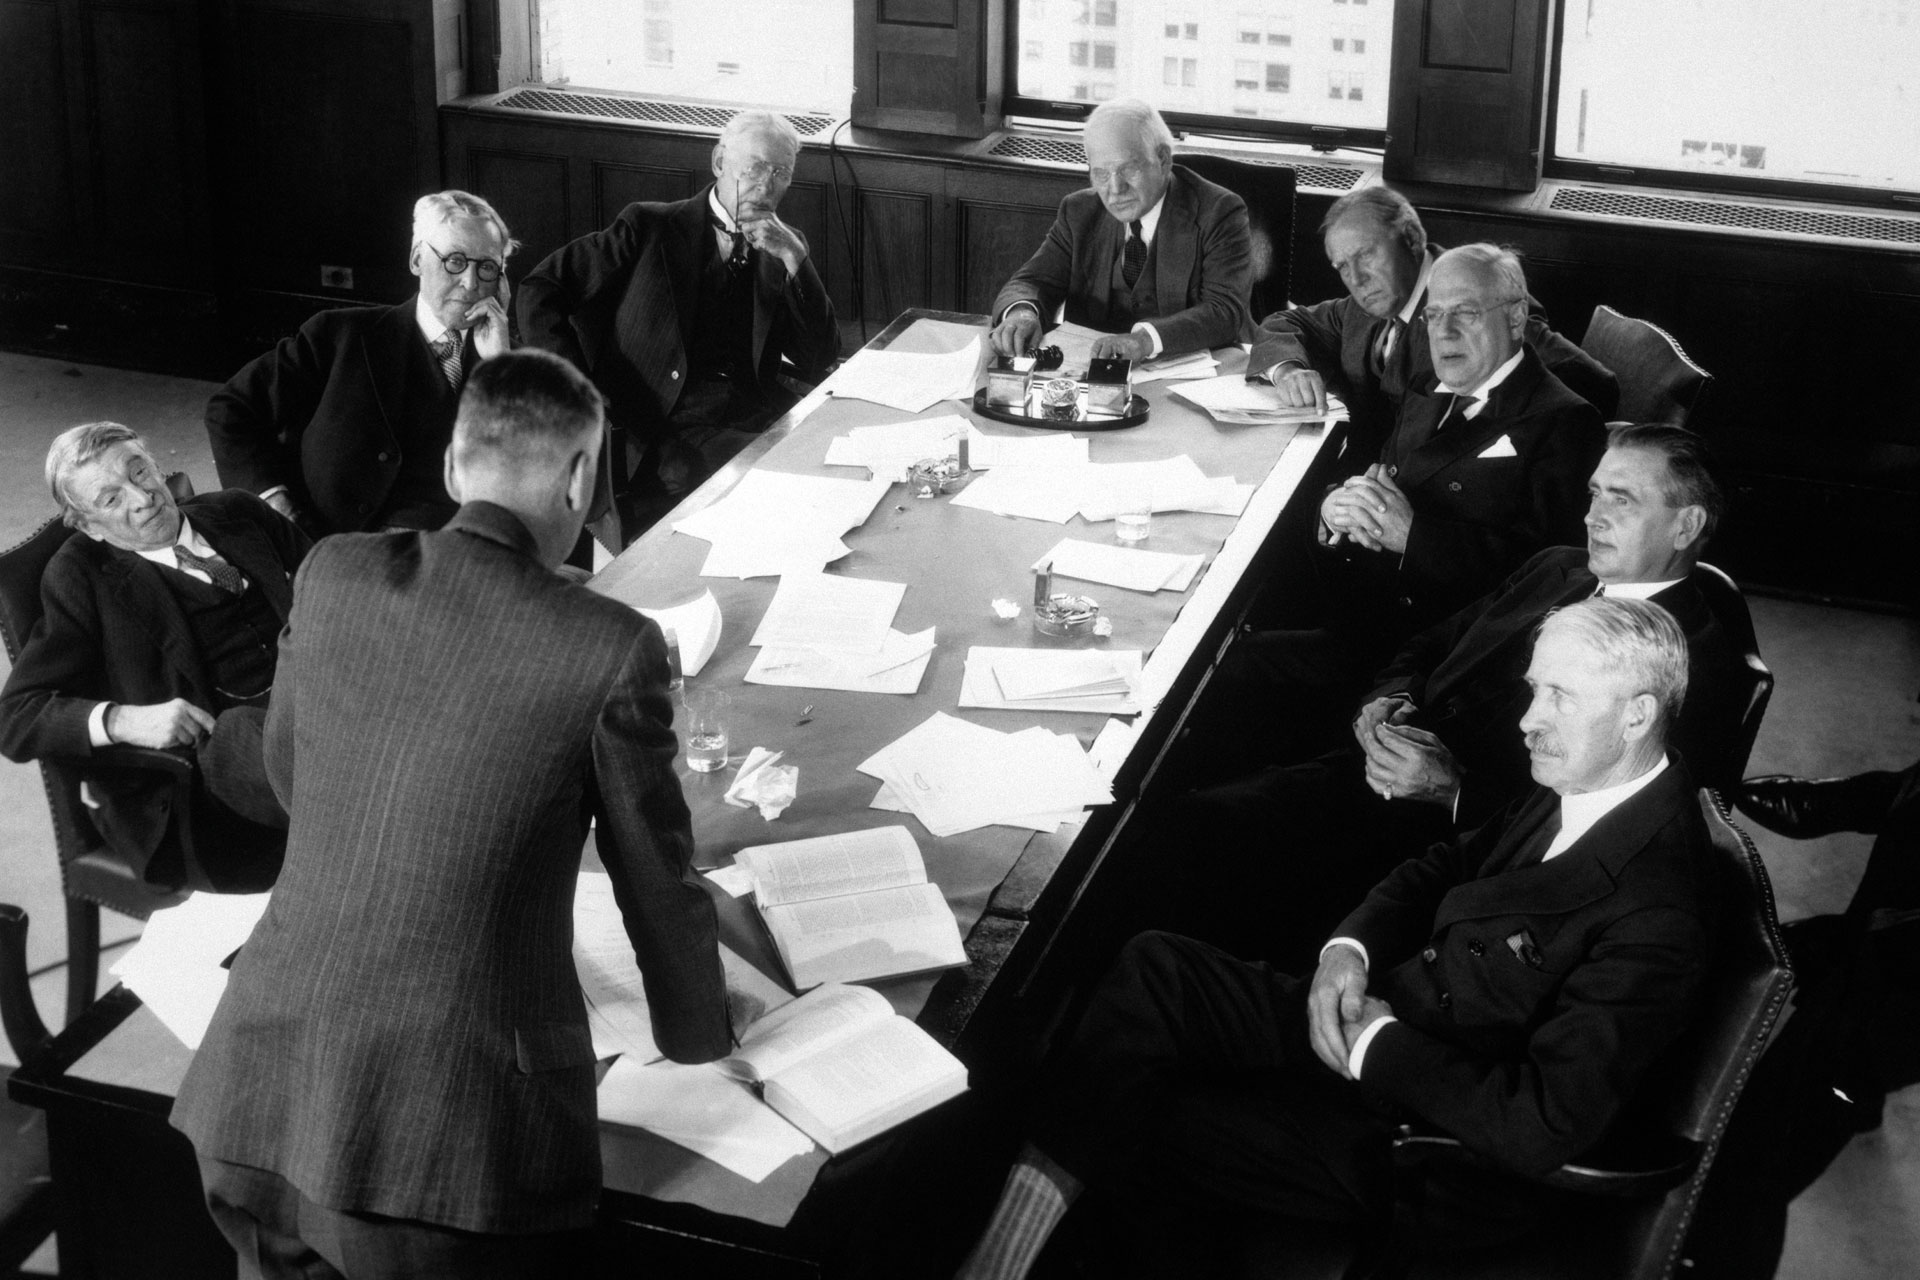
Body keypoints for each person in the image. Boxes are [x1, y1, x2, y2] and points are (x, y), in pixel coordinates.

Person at [954, 598, 1718, 1280]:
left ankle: (1009, 1255)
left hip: (1421, 1141)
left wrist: (1372, 1045)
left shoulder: (1658, 914)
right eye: (1533, 689)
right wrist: (1345, 951)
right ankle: (1014, 1246)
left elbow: (1544, 1124)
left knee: (1134, 1104)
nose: (1528, 718)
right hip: (1387, 1017)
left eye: (1559, 696)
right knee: (1156, 965)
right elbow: (1443, 865)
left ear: (1638, 714)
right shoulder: (1591, 782)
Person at [172, 350, 731, 1278]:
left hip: (253, 1101)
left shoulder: (335, 572)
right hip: (445, 1165)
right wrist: (698, 1034)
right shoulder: (610, 645)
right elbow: (656, 883)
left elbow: (292, 780)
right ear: (582, 480)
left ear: (449, 468)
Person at [1154, 424, 1747, 965]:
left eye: (1622, 500)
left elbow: (1607, 836)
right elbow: (1429, 644)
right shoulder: (1557, 569)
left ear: (1686, 525)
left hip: (1456, 854)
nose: (1593, 516)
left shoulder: (1687, 667)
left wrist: (1453, 789)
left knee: (1201, 843)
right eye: (1594, 494)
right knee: (1183, 795)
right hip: (1374, 765)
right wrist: (1391, 698)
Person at [1280, 242, 1607, 689]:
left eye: (1466, 314)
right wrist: (1335, 507)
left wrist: (1411, 535)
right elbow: (1375, 479)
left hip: (1436, 667)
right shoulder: (1428, 386)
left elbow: (1546, 582)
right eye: (1433, 316)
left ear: (1515, 319)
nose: (1443, 333)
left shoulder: (1567, 422)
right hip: (1355, 614)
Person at [0, 422, 308, 892]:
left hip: (319, 711)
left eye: (139, 472)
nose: (142, 498)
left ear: (156, 464)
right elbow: (16, 718)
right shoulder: (80, 578)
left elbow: (335, 588)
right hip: (210, 779)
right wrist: (124, 720)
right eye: (110, 499)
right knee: (246, 733)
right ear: (86, 525)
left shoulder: (238, 512)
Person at [517, 110, 839, 541]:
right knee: (791, 483)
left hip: (750, 412)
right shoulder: (649, 226)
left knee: (831, 463)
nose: (766, 185)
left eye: (781, 173)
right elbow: (541, 288)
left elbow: (818, 356)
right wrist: (576, 390)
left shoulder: (785, 243)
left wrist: (797, 260)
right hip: (660, 426)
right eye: (756, 167)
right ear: (719, 161)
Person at [206, 190, 517, 537]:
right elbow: (231, 409)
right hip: (334, 550)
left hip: (453, 559)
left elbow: (534, 474)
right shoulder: (341, 335)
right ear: (416, 260)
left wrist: (501, 368)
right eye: (455, 261)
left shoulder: (511, 363)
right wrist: (277, 507)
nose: (471, 282)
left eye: (487, 267)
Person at [1248, 184, 1616, 446]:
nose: (1356, 279)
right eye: (1342, 266)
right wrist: (1288, 371)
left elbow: (1589, 384)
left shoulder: (1476, 302)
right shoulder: (1369, 306)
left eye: (1367, 256)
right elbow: (1285, 322)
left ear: (1411, 240)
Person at [988, 98, 1252, 364]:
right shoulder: (1079, 211)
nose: (1115, 189)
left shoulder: (1219, 212)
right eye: (1101, 173)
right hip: (1091, 373)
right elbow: (1032, 281)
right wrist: (1022, 313)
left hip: (1188, 379)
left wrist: (1143, 341)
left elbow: (1224, 311)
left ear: (1163, 159)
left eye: (1128, 169)